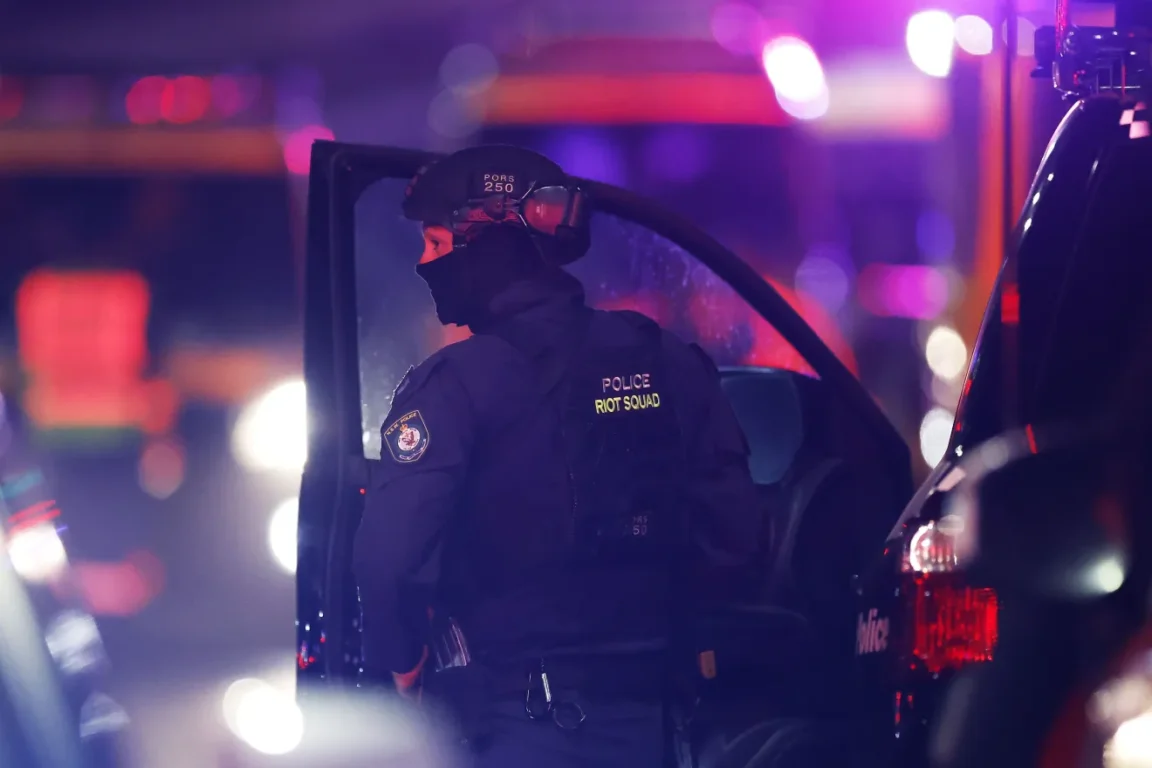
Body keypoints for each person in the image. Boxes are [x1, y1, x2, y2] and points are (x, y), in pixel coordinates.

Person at [352, 145, 761, 767]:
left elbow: (388, 561)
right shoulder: (670, 363)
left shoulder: (454, 386)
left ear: (488, 243)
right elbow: (734, 535)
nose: (423, 264)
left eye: (435, 244)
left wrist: (405, 669)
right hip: (658, 729)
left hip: (517, 728)